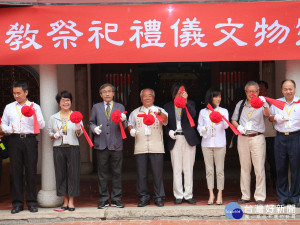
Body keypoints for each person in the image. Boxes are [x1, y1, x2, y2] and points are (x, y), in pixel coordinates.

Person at [1, 80, 45, 214]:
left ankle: (31, 203)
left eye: (19, 93)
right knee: (16, 172)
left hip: (30, 140)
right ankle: (18, 203)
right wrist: (10, 129)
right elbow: (3, 124)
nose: (16, 96)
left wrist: (33, 114)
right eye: (14, 93)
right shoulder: (9, 107)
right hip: (14, 140)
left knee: (31, 172)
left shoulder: (35, 106)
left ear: (26, 92)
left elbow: (42, 125)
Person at [231, 81, 270, 206]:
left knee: (259, 168)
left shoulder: (262, 104)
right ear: (245, 92)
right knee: (245, 168)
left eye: (254, 91)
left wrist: (264, 104)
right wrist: (239, 127)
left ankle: (260, 197)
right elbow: (233, 120)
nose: (251, 93)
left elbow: (268, 115)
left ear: (258, 92)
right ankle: (245, 195)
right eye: (249, 91)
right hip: (242, 138)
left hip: (257, 138)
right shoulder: (241, 104)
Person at [89, 83, 127, 209]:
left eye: (109, 91)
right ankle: (103, 199)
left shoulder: (120, 106)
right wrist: (94, 130)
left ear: (113, 93)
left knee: (117, 173)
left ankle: (116, 199)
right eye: (104, 92)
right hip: (101, 144)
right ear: (100, 94)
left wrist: (123, 120)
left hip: (116, 144)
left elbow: (125, 126)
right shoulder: (96, 107)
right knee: (102, 173)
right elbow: (91, 123)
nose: (107, 94)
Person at [128, 88, 168, 207]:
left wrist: (158, 112)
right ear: (141, 99)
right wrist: (132, 130)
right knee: (142, 174)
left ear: (154, 98)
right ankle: (143, 197)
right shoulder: (135, 112)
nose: (147, 98)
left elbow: (165, 121)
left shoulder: (160, 110)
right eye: (144, 96)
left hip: (156, 146)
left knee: (157, 174)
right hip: (140, 146)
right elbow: (130, 124)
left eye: (150, 95)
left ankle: (159, 197)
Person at [163, 83, 200, 205]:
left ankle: (188, 195)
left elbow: (193, 114)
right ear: (173, 93)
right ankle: (178, 195)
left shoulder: (190, 104)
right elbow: (164, 124)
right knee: (177, 169)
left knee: (188, 168)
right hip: (175, 138)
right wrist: (169, 132)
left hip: (188, 138)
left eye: (182, 92)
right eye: (178, 92)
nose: (180, 94)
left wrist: (186, 101)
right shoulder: (167, 106)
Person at [48, 91, 82, 211]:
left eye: (68, 100)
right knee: (61, 174)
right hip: (59, 148)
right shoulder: (53, 117)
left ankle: (71, 201)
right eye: (63, 100)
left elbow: (80, 134)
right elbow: (49, 133)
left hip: (73, 147)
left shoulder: (76, 115)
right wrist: (55, 135)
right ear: (59, 103)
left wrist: (78, 127)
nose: (66, 102)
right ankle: (65, 200)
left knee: (73, 174)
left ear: (71, 102)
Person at [269, 79, 300, 207]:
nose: (288, 91)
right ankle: (282, 197)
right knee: (280, 168)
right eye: (286, 89)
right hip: (280, 138)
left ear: (295, 89)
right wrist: (276, 118)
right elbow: (270, 117)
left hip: (296, 136)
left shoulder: (299, 103)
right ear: (282, 90)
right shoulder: (277, 103)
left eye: (290, 89)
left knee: (296, 169)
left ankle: (294, 198)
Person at [197, 88, 229, 205]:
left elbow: (226, 126)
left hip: (220, 143)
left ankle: (220, 193)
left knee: (220, 170)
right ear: (210, 98)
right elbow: (199, 126)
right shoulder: (203, 112)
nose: (218, 99)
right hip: (206, 143)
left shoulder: (224, 111)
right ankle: (211, 193)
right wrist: (203, 130)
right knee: (209, 170)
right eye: (216, 96)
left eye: (220, 96)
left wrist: (220, 119)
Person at [258, 80, 277, 188]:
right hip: (258, 136)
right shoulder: (252, 103)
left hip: (271, 136)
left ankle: (275, 180)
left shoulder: (272, 103)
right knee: (259, 162)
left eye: (263, 89)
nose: (261, 91)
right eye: (259, 89)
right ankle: (262, 184)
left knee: (272, 160)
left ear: (267, 90)